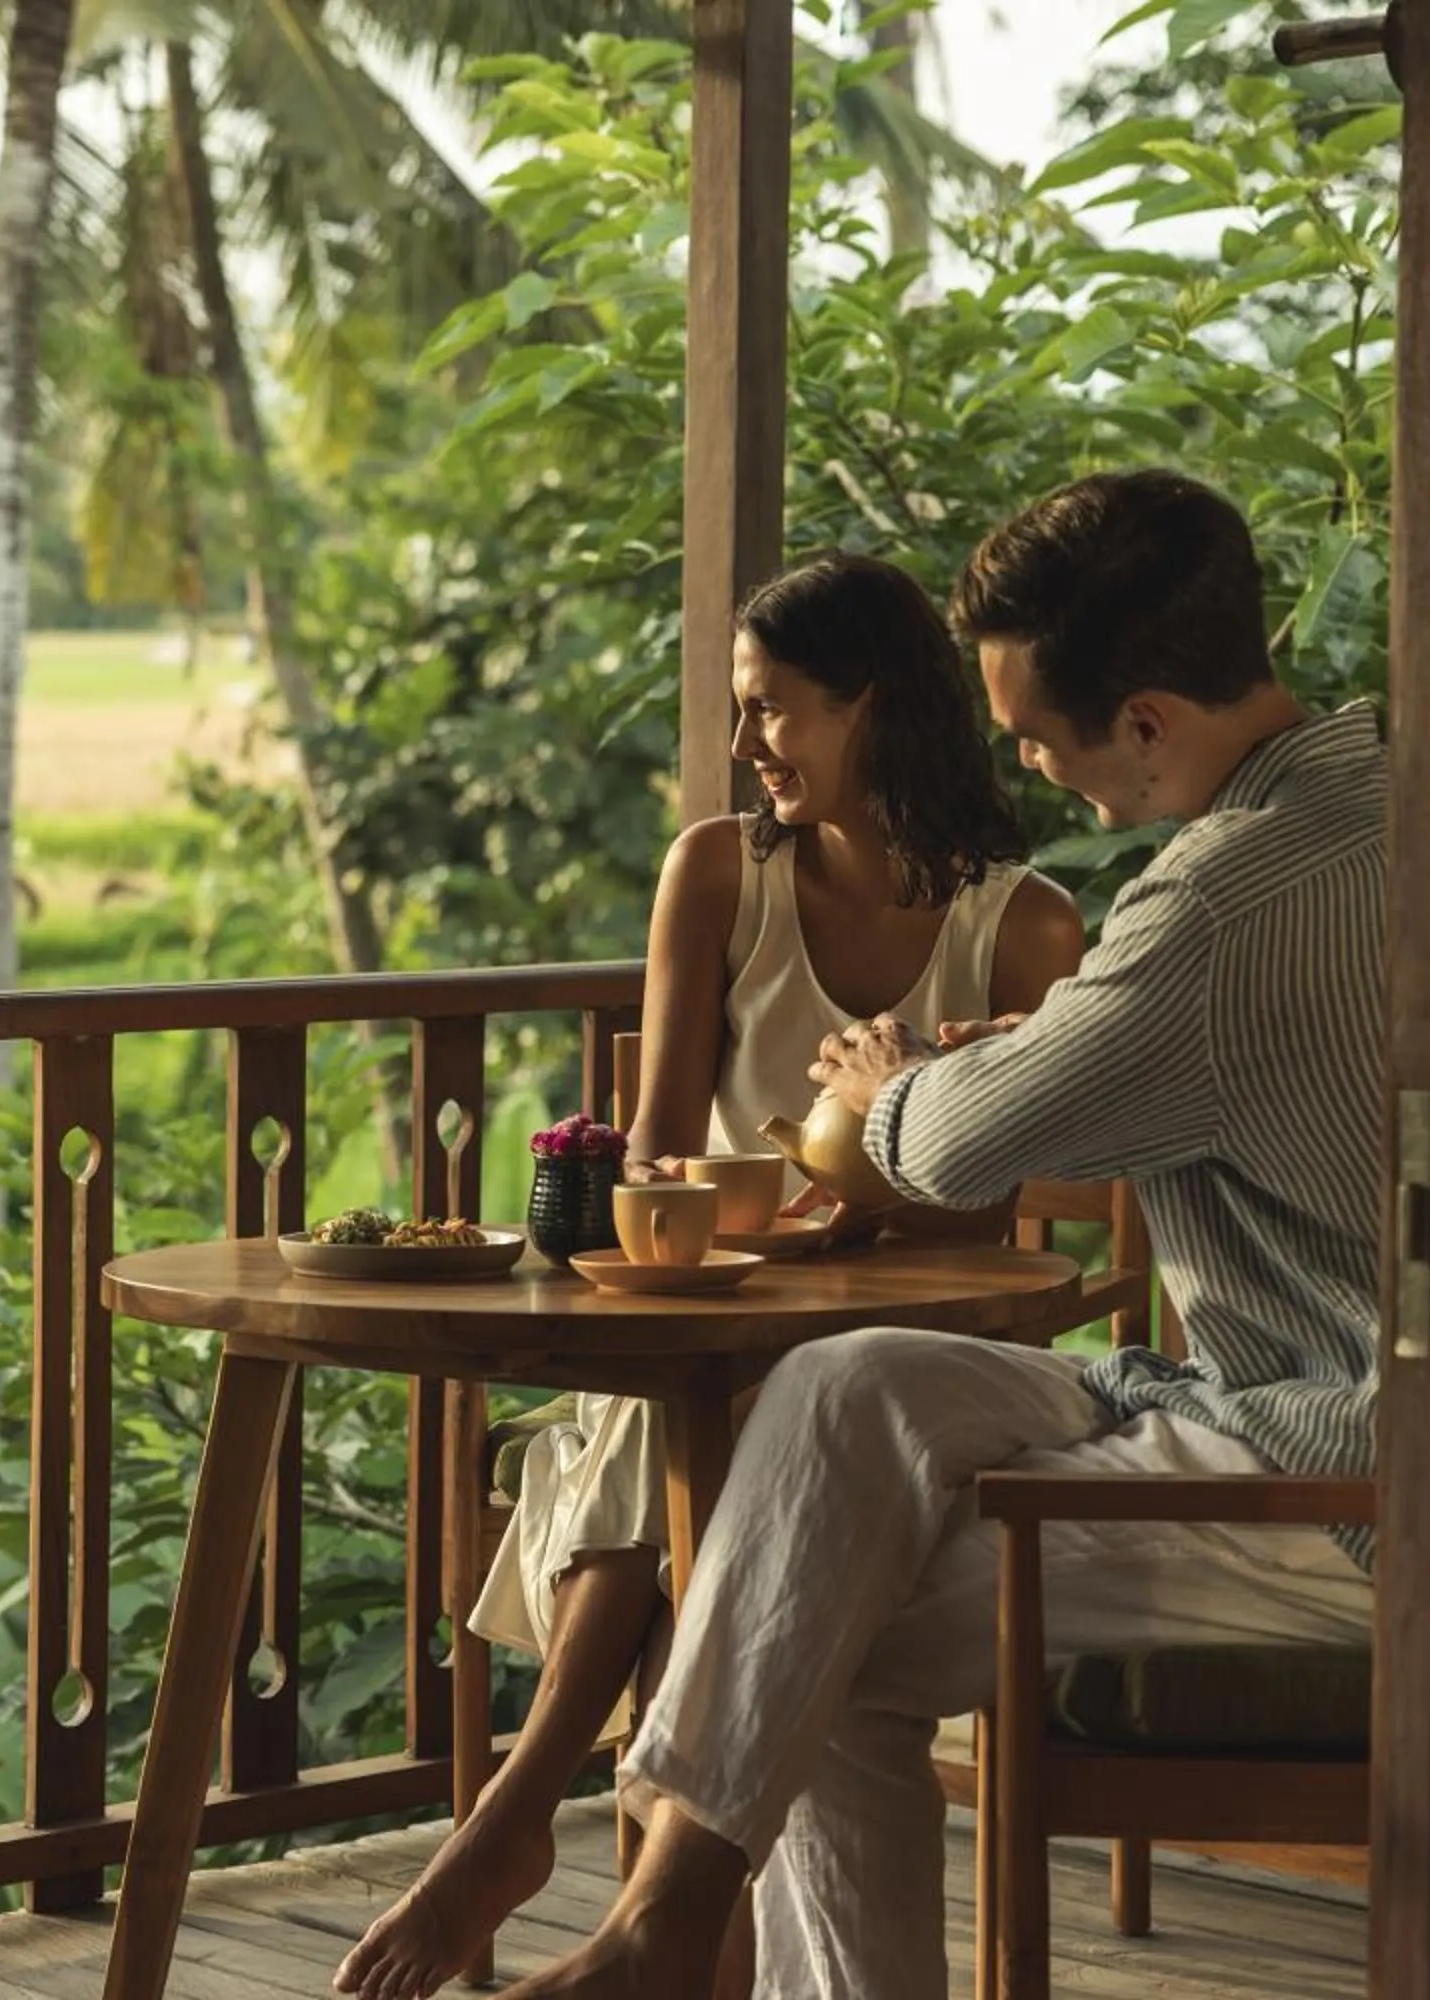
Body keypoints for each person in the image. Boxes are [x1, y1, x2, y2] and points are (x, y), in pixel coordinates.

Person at [494, 469, 1398, 2000]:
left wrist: (903, 1077)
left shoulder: (1219, 900)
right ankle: (660, 1916)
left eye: (1044, 739)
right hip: (1261, 1404)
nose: (1045, 776)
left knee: (817, 1607)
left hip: (1353, 1473)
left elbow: (958, 1144)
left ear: (1152, 722)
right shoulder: (1378, 782)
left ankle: (658, 1923)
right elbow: (1117, 1070)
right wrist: (1000, 1067)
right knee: (848, 1390)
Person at [336, 552, 1086, 2000]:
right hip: (710, 1330)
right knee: (681, 1420)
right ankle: (587, 1870)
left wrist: (865, 1217)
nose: (746, 748)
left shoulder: (1027, 929)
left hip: (898, 1382)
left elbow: (1000, 1203)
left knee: (737, 1438)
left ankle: (515, 1820)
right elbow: (658, 1158)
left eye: (774, 711)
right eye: (742, 716)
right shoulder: (719, 876)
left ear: (870, 706)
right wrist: (735, 1224)